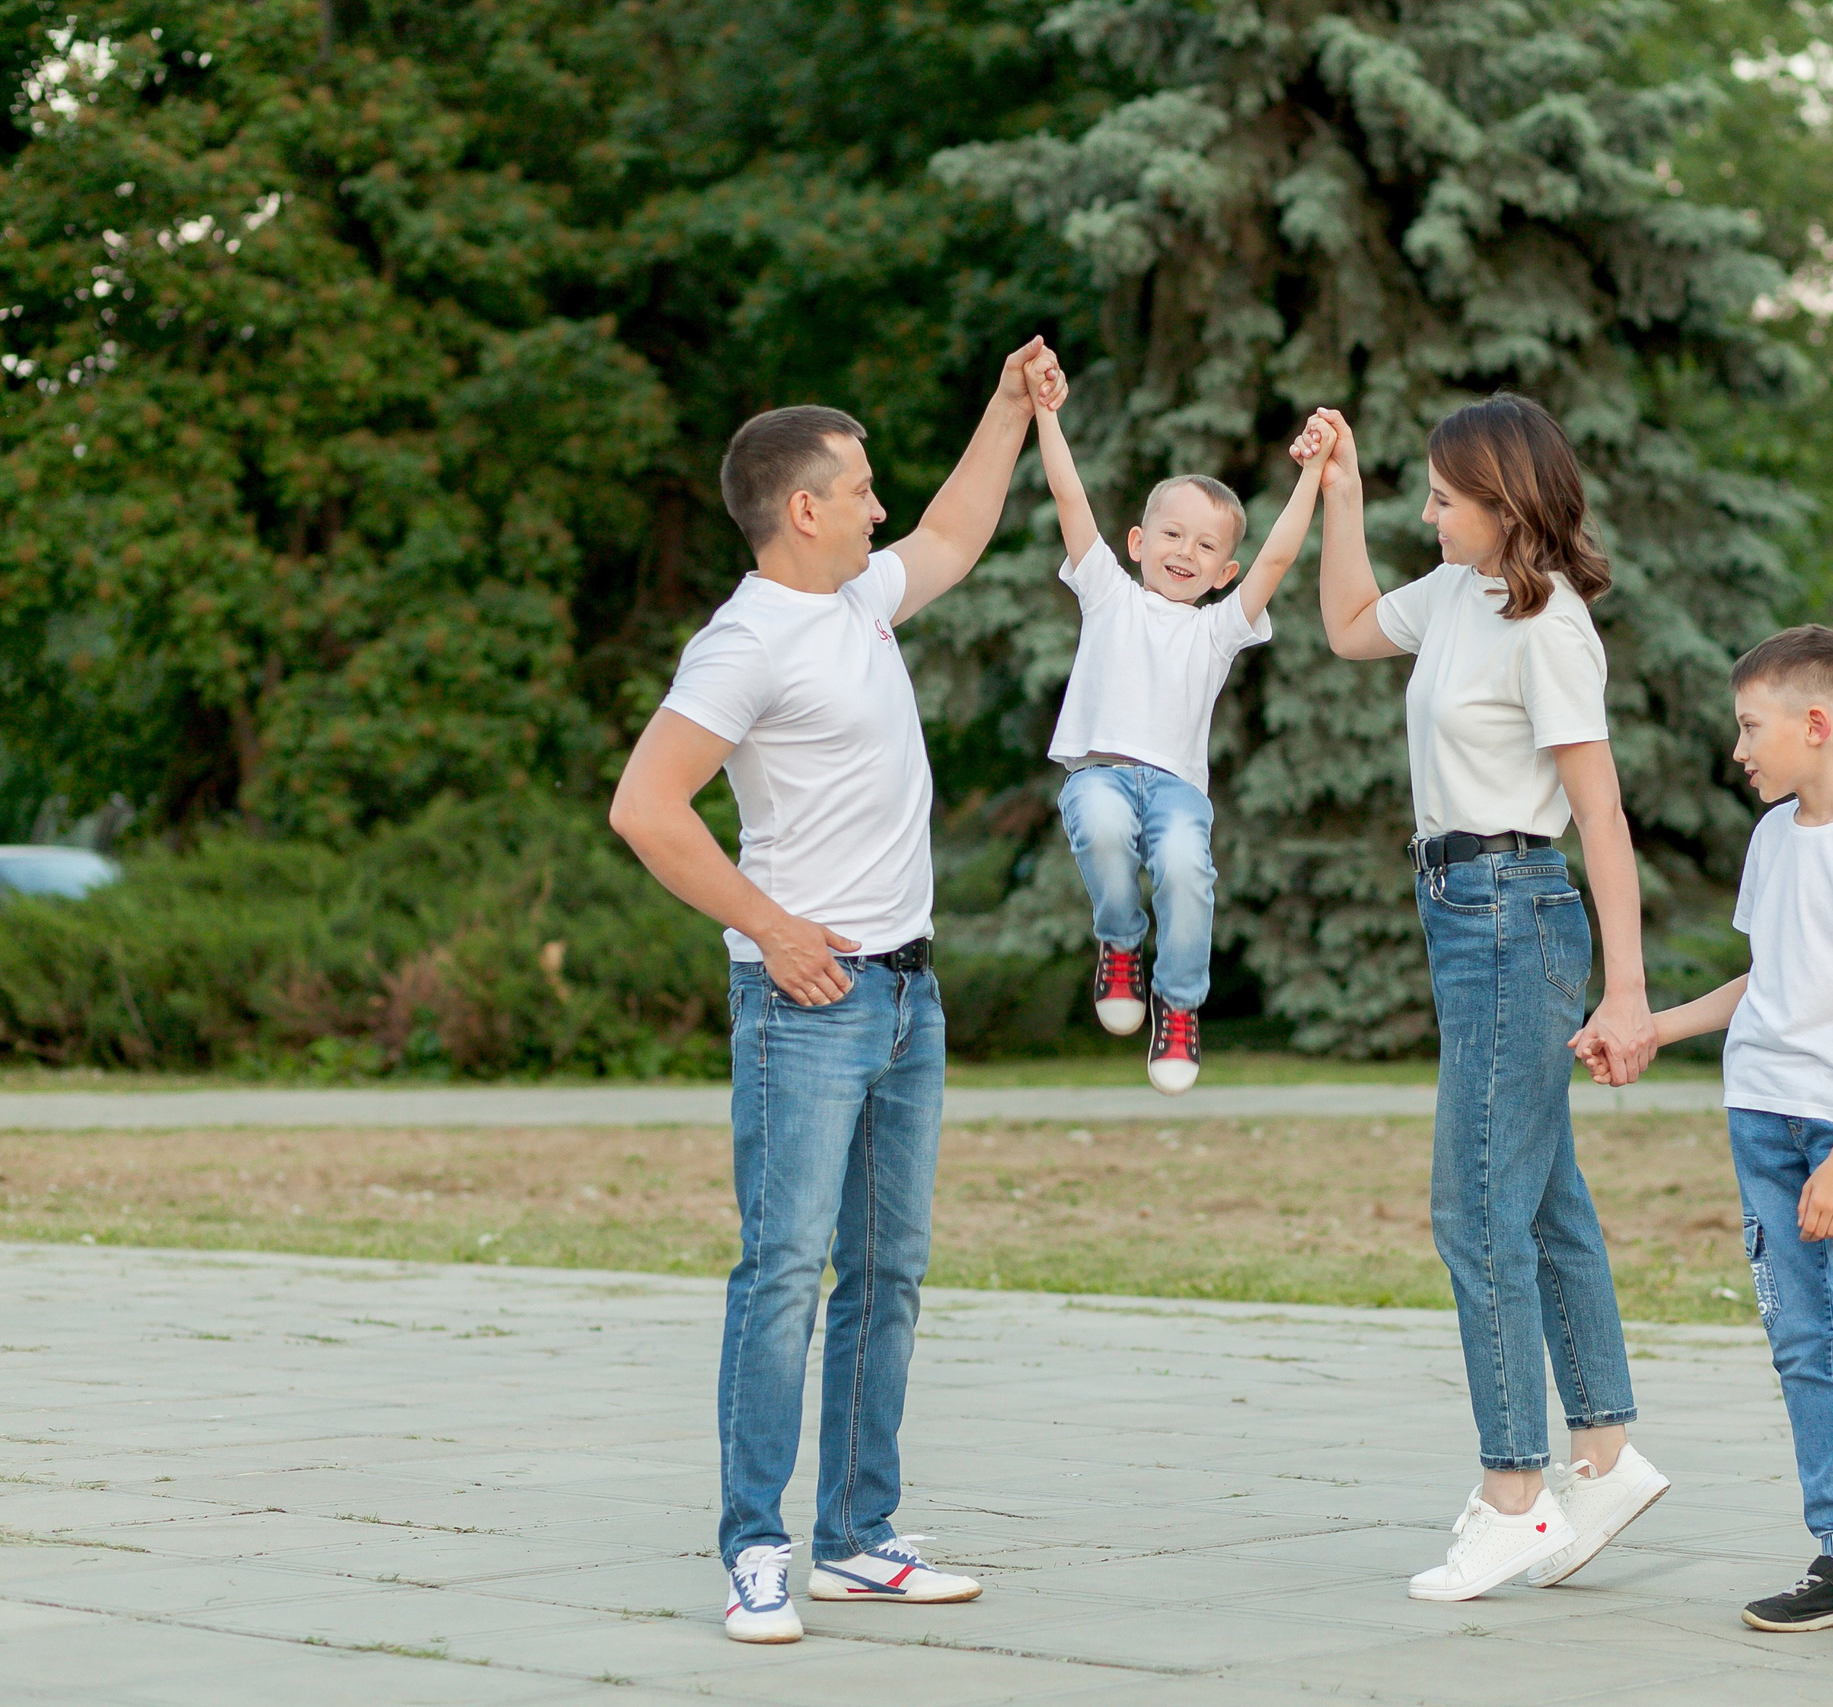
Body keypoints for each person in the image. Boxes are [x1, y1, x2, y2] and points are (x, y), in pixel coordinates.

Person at [607, 337, 1055, 1644]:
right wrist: (771, 926)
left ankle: (860, 1537)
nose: (878, 503)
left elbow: (959, 531)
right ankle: (757, 1546)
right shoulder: (745, 642)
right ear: (802, 506)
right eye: (858, 485)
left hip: (908, 998)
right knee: (785, 1269)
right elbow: (647, 805)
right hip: (806, 1006)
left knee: (887, 1272)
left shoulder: (855, 601)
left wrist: (1010, 404)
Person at [1310, 395, 1671, 1601]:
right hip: (1461, 912)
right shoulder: (1458, 595)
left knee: (1473, 1210)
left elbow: (1604, 816)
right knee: (1540, 1196)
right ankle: (1606, 1458)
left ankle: (1514, 1494)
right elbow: (1352, 628)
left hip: (1517, 910)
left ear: (1504, 502)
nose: (1429, 513)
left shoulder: (1550, 626)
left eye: (1443, 498)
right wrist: (1343, 491)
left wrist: (1625, 993)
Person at [1643, 624, 1833, 1662]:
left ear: (1814, 726)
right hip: (1760, 1118)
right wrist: (1653, 1026)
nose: (1738, 750)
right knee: (1801, 1343)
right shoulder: (1772, 837)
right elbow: (1763, 984)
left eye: (1750, 726)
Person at [1031, 358, 1336, 1093]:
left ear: (1224, 572)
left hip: (1175, 791)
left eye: (1206, 546)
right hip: (1100, 770)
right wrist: (1046, 414)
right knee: (1102, 824)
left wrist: (1313, 473)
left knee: (1185, 871)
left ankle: (1179, 1006)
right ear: (1137, 542)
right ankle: (1121, 944)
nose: (1185, 553)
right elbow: (1070, 497)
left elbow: (1282, 553)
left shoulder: (1218, 630)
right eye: (1173, 534)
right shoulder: (1108, 594)